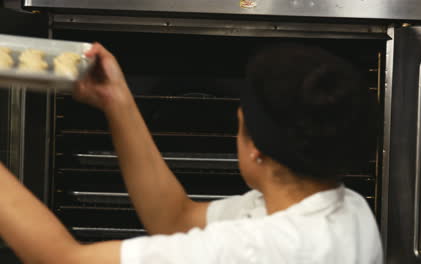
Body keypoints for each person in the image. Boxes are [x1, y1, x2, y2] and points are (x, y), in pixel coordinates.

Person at [0, 43, 383, 264]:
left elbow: (63, 261)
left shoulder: (255, 250)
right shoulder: (347, 209)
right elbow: (175, 218)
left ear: (256, 153)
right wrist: (117, 102)